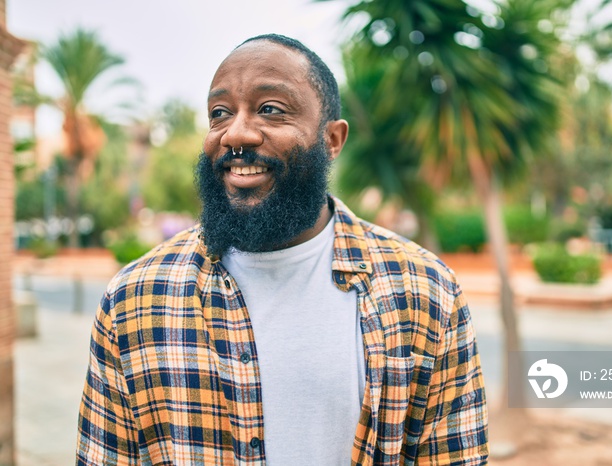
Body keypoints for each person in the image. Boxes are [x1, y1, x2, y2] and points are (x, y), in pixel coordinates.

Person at [76, 34, 488, 465]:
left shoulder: (425, 291)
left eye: (270, 109)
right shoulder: (134, 299)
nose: (235, 132)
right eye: (220, 113)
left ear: (332, 139)